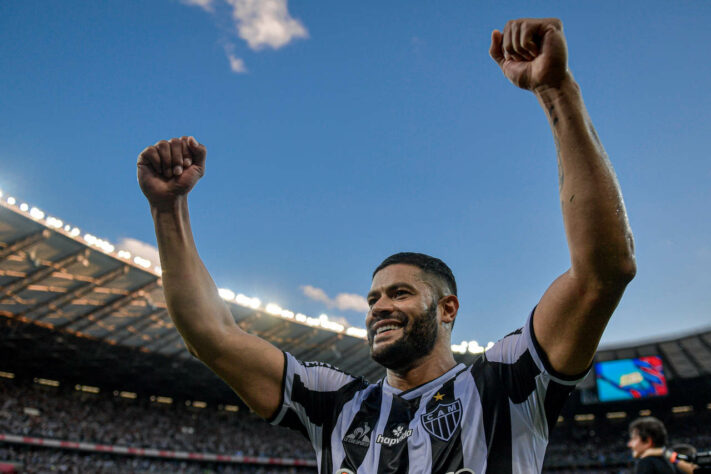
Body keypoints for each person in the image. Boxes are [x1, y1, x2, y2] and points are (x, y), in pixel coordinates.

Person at [137, 17, 636, 473]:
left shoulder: (505, 383)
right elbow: (211, 336)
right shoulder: (334, 404)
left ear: (447, 308)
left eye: (398, 293)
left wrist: (555, 91)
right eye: (373, 298)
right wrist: (168, 209)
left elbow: (603, 273)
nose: (379, 307)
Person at [627, 417, 699, 474]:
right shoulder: (670, 464)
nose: (629, 444)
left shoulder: (646, 462)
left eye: (634, 439)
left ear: (648, 441)